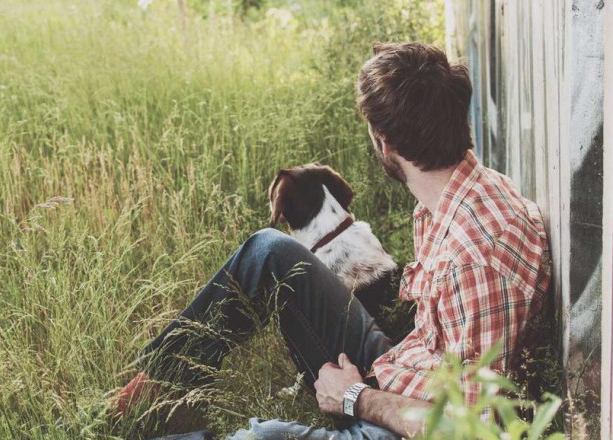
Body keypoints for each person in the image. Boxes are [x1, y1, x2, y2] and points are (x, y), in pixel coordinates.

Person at [111, 42, 551, 440]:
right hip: (410, 373)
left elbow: (472, 431)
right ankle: (148, 394)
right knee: (270, 250)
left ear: (385, 143)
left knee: (257, 438)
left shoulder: (473, 258)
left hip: (412, 425)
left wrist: (355, 397)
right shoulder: (463, 192)